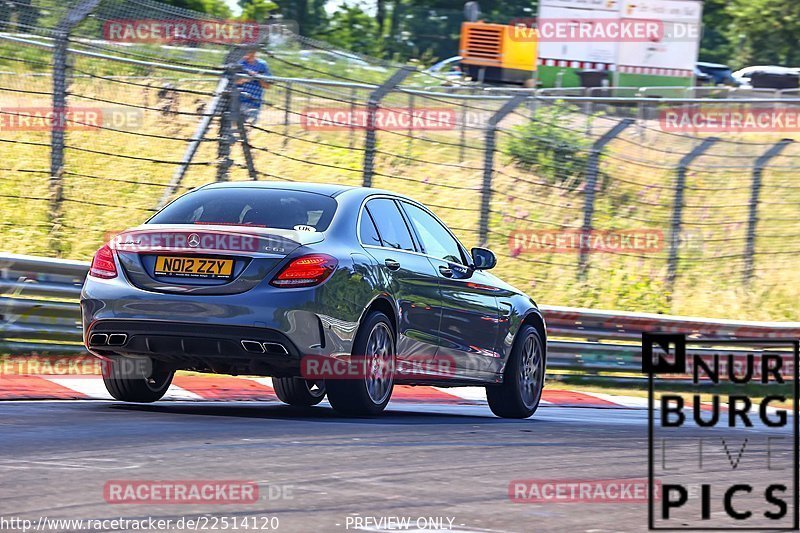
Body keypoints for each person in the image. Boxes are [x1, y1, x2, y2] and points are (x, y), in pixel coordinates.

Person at [236, 45, 272, 124]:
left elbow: (267, 86)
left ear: (254, 52)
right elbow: (234, 82)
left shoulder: (262, 65)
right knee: (239, 123)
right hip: (241, 100)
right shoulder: (240, 64)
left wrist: (258, 77)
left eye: (249, 51)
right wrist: (246, 78)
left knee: (249, 125)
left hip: (255, 101)